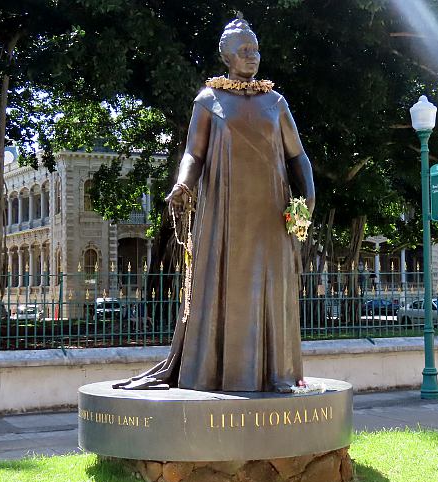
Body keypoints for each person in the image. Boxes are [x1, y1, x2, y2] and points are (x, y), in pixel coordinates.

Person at [115, 17, 315, 393]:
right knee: (225, 289)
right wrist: (182, 183)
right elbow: (194, 152)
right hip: (225, 212)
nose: (252, 56)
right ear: (226, 56)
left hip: (272, 211)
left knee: (272, 287)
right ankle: (218, 374)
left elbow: (297, 156)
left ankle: (278, 374)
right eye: (243, 51)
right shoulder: (208, 100)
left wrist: (308, 195)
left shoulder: (275, 102)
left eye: (255, 49)